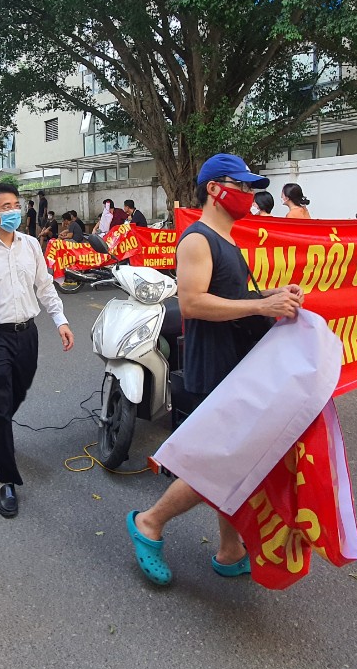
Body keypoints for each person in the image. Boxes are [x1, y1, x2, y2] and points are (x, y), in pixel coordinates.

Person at [126, 154, 304, 586]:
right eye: (239, 185)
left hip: (238, 365)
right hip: (216, 367)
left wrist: (269, 296)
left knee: (233, 463)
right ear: (213, 188)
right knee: (221, 465)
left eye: (249, 187)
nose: (247, 194)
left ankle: (229, 550)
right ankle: (149, 522)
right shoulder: (197, 240)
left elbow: (230, 296)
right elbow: (192, 303)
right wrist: (262, 304)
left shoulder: (227, 240)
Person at [0, 182, 75, 518]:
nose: (14, 211)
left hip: (28, 333)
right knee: (2, 400)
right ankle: (6, 480)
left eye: (16, 204)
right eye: (6, 206)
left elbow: (45, 284)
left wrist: (61, 320)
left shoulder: (30, 246)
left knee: (17, 392)